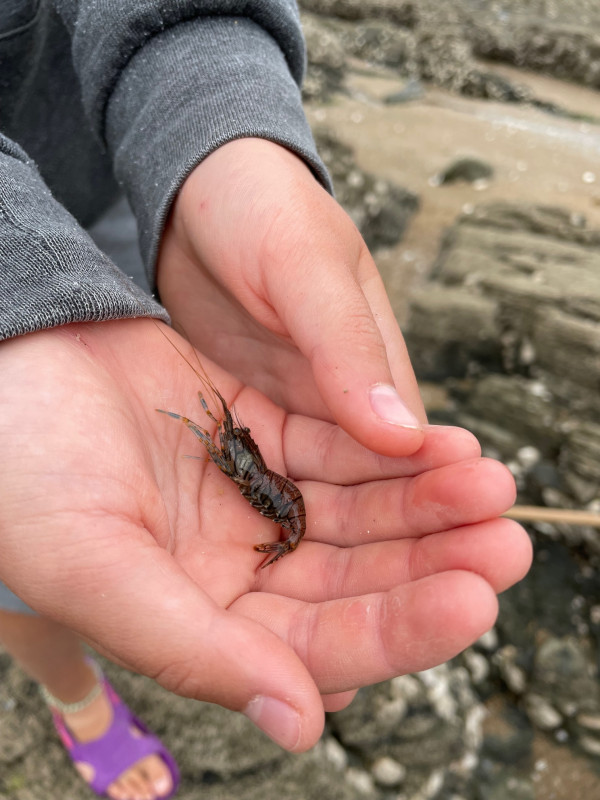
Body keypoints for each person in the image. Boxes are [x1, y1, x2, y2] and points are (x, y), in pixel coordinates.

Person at [0, 2, 533, 799]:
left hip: (122, 172)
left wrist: (211, 119)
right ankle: (68, 686)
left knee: (176, 383)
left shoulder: (269, 491)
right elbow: (232, 451)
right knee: (21, 550)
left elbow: (241, 460)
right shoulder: (247, 468)